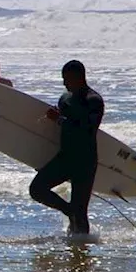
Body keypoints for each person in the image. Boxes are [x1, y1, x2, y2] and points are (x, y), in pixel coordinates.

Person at [30, 59, 104, 236]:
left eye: (66, 79)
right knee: (37, 190)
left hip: (85, 162)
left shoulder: (94, 101)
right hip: (65, 157)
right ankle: (69, 211)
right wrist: (40, 157)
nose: (64, 83)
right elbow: (57, 133)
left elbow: (88, 129)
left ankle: (80, 251)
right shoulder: (65, 99)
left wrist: (59, 119)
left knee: (81, 213)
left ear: (78, 77)